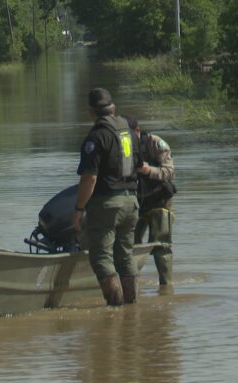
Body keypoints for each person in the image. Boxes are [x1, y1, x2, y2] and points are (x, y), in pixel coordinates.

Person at [72, 88, 142, 306]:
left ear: (90, 113)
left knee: (102, 257)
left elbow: (89, 179)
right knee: (125, 256)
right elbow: (139, 166)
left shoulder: (96, 137)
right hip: (131, 202)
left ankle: (116, 308)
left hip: (107, 204)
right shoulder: (129, 132)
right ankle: (132, 309)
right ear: (113, 109)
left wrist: (78, 209)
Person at [128, 118, 176, 295]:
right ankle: (132, 286)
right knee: (130, 245)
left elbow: (169, 172)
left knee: (161, 246)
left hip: (159, 200)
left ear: (137, 131)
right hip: (136, 202)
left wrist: (148, 170)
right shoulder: (121, 147)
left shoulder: (155, 143)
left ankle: (166, 287)